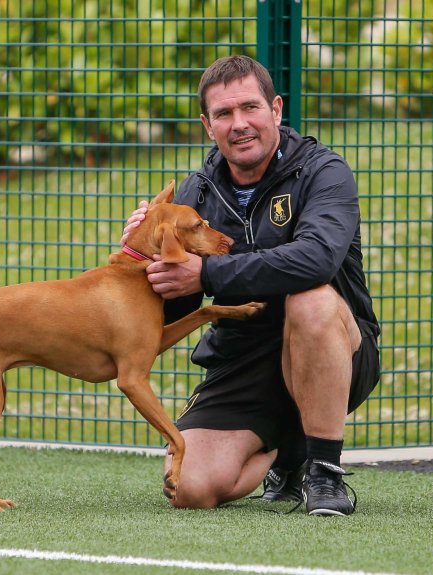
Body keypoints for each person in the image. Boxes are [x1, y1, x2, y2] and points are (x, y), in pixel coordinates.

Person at [120, 55, 380, 516]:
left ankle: (323, 470)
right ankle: (290, 449)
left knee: (311, 299)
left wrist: (208, 272)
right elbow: (177, 307)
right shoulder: (194, 195)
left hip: (332, 347)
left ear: (276, 110)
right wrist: (143, 257)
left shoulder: (324, 172)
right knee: (189, 489)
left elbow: (315, 260)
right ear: (207, 125)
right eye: (223, 114)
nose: (239, 124)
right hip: (241, 358)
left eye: (250, 108)